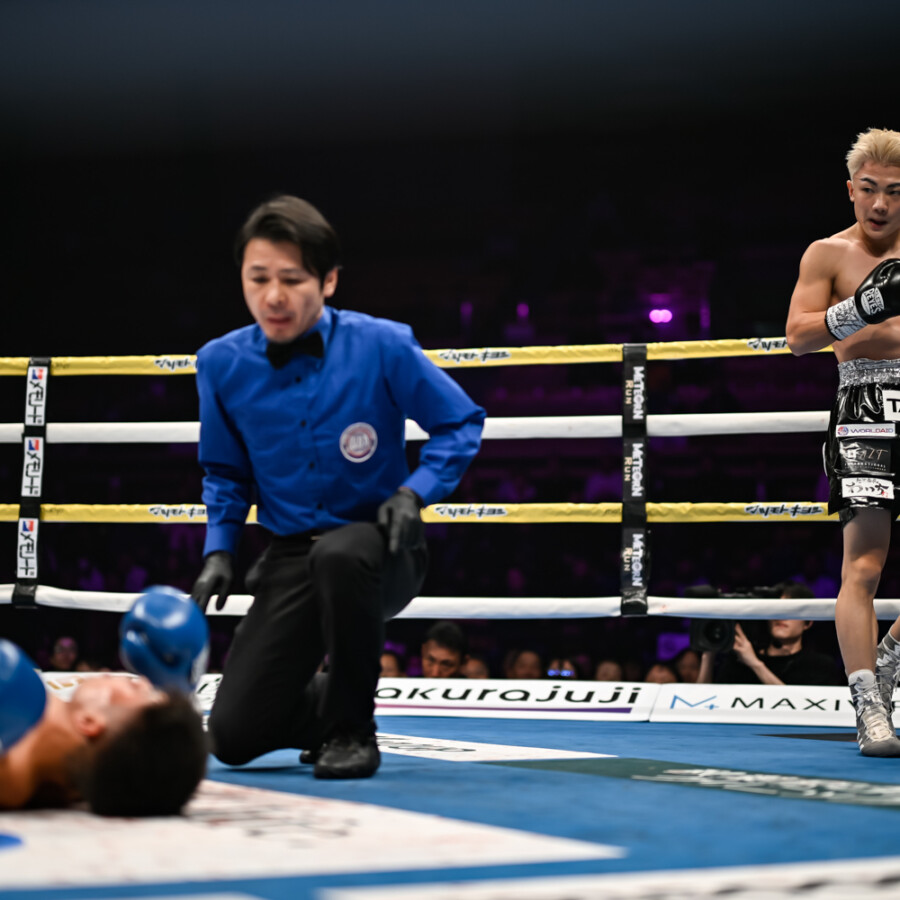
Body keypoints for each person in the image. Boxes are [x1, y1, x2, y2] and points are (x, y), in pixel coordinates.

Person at [191, 196, 485, 779]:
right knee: (233, 735)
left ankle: (355, 729)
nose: (273, 296)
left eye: (291, 279)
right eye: (259, 279)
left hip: (380, 544)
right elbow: (225, 472)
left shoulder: (382, 344)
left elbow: (460, 420)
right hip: (293, 554)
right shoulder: (220, 364)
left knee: (342, 553)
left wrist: (414, 492)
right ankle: (331, 704)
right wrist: (220, 548)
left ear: (327, 281)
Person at [785, 127, 900, 755]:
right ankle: (869, 711)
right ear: (851, 191)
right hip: (864, 402)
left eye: (895, 193)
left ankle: (881, 670)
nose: (881, 204)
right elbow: (798, 336)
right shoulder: (827, 254)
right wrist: (864, 307)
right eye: (870, 190)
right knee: (864, 565)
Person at [0, 639, 207, 814]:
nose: (141, 680)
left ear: (90, 722)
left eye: (141, 691)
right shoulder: (48, 786)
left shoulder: (15, 690)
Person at [696, 586, 840, 686]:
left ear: (807, 623)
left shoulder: (819, 665)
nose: (781, 617)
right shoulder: (739, 662)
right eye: (776, 610)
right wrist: (708, 654)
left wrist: (755, 664)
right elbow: (701, 705)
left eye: (790, 611)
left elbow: (803, 709)